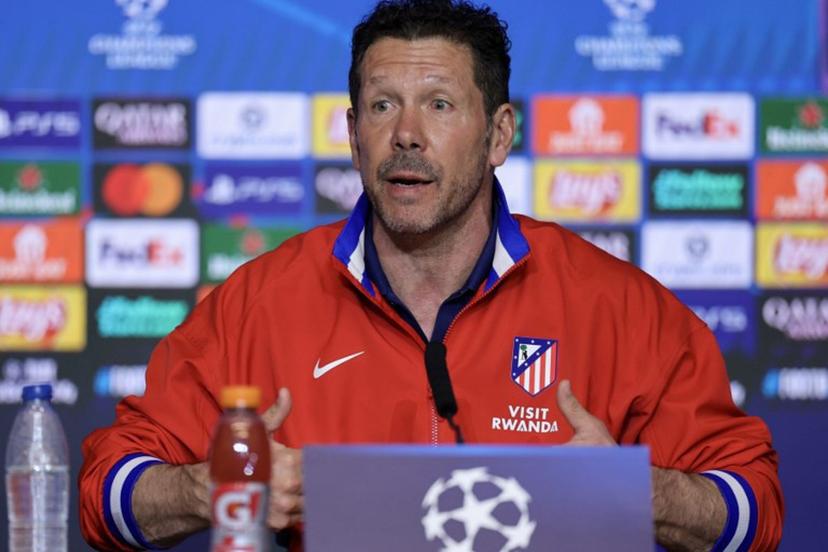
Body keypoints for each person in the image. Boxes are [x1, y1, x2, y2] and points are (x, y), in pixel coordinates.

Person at [79, 1, 783, 550]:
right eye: (383, 106)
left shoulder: (618, 307)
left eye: (439, 104)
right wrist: (216, 489)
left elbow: (756, 511)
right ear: (354, 135)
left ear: (499, 134)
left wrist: (638, 493)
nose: (406, 133)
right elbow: (103, 492)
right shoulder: (258, 305)